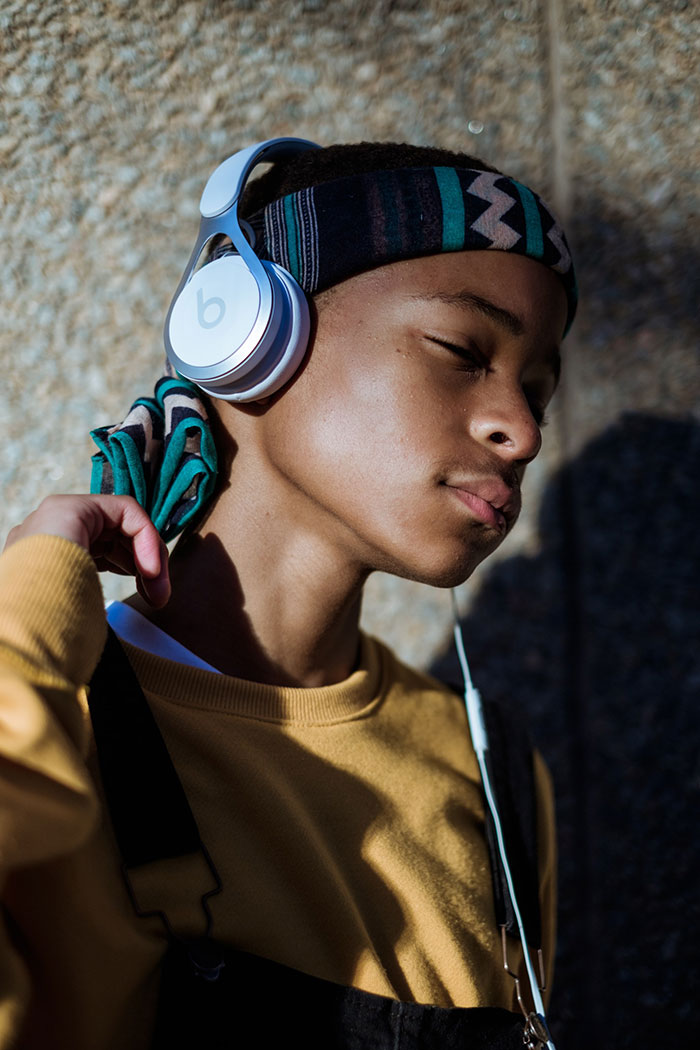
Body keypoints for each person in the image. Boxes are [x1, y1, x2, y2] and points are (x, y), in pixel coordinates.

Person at [0, 140, 575, 1049]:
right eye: (463, 350)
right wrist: (29, 596)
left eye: (538, 389)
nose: (523, 431)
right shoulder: (45, 712)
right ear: (246, 338)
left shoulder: (491, 766)